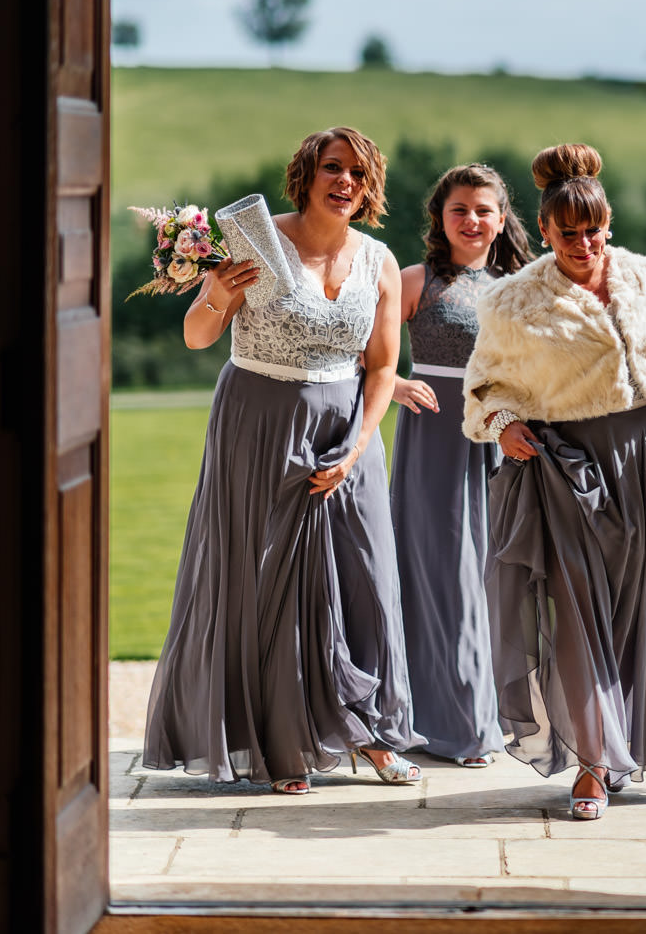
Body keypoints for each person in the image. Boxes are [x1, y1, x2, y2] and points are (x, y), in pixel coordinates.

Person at [460, 143, 646, 820]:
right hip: (565, 471)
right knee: (576, 619)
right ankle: (591, 765)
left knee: (645, 610)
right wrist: (502, 422)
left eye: (594, 231)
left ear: (608, 223)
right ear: (545, 229)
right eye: (568, 235)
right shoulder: (512, 301)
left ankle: (632, 748)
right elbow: (483, 392)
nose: (583, 245)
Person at [142, 126, 423, 795]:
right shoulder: (257, 241)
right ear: (307, 174)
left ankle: (377, 737)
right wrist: (218, 293)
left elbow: (383, 367)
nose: (345, 182)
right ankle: (281, 745)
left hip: (348, 428)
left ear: (370, 184)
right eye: (333, 168)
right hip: (259, 420)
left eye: (358, 172)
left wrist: (357, 447)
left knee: (368, 582)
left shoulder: (380, 260)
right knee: (267, 584)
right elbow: (196, 335)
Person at [388, 163, 534, 769]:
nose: (471, 220)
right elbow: (352, 347)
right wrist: (393, 384)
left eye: (483, 210)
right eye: (459, 210)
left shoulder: (525, 284)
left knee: (498, 577)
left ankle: (501, 717)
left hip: (508, 439)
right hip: (436, 438)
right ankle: (450, 725)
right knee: (440, 572)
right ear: (439, 219)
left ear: (502, 219)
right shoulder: (415, 280)